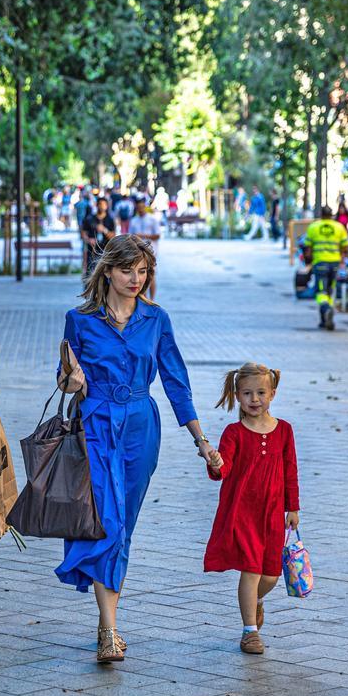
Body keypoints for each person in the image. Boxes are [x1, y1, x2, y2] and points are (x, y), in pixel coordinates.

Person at [56, 235, 217, 663]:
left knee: (122, 525)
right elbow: (65, 376)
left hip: (141, 427)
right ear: (107, 270)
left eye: (143, 271)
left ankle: (107, 620)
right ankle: (110, 630)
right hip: (96, 423)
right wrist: (73, 380)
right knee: (106, 520)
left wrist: (202, 441)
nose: (136, 279)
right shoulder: (80, 319)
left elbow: (176, 382)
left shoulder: (156, 319)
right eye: (127, 269)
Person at [204, 363, 299, 655]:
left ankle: (256, 602)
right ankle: (250, 631)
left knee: (270, 574)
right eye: (247, 393)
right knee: (251, 568)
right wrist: (217, 463)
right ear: (237, 396)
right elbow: (225, 467)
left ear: (272, 394)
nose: (254, 399)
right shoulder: (233, 433)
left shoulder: (284, 430)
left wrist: (292, 508)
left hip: (271, 514)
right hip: (242, 511)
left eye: (260, 393)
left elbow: (290, 470)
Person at [303, 210, 348, 331]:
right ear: (331, 214)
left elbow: (307, 247)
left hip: (320, 263)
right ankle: (325, 320)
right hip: (335, 263)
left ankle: (326, 309)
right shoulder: (339, 227)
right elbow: (345, 246)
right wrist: (342, 258)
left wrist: (308, 260)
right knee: (329, 290)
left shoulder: (313, 226)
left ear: (321, 214)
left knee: (320, 291)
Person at [130, 203, 162, 299]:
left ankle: (151, 300)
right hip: (137, 251)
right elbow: (130, 235)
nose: (140, 209)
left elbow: (158, 235)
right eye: (138, 207)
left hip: (151, 250)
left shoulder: (152, 219)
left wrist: (143, 235)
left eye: (142, 207)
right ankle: (143, 298)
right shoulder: (134, 220)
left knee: (150, 275)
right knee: (140, 275)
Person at [80, 197, 116, 276]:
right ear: (96, 205)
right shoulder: (89, 219)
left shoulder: (110, 219)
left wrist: (104, 230)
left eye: (104, 204)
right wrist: (89, 240)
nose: (102, 206)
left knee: (104, 275)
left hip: (105, 251)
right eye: (100, 204)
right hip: (92, 251)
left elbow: (113, 236)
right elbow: (83, 234)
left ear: (107, 206)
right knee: (90, 274)